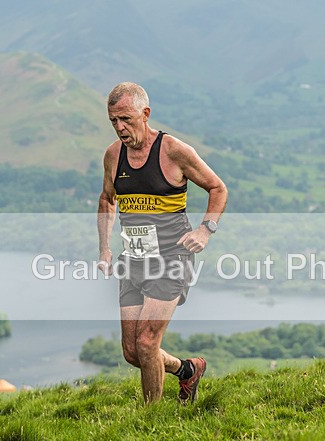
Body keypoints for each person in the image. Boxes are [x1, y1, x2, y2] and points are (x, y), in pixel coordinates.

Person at [97, 82, 228, 403]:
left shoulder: (173, 151)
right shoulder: (114, 155)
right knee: (132, 352)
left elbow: (218, 188)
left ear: (146, 114)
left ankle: (151, 419)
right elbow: (106, 200)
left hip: (172, 259)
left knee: (146, 343)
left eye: (126, 119)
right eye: (113, 121)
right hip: (133, 260)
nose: (120, 128)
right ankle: (187, 370)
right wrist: (104, 249)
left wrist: (205, 230)